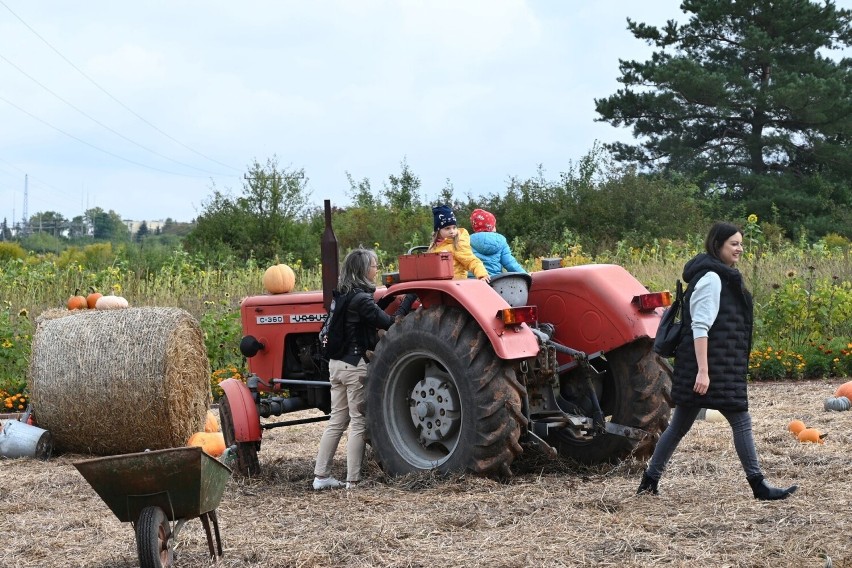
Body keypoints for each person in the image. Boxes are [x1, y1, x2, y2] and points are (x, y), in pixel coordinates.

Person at [637, 222, 799, 501]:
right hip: (710, 367)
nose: (740, 248)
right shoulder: (711, 278)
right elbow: (700, 328)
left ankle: (649, 481)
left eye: (741, 243)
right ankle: (758, 485)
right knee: (740, 420)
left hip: (718, 365)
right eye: (734, 244)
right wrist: (703, 372)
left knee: (678, 426)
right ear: (718, 245)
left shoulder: (722, 276)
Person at [313, 248, 394, 490]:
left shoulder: (342, 296)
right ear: (363, 270)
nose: (376, 269)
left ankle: (321, 476)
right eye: (374, 265)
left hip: (335, 365)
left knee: (336, 420)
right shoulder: (362, 299)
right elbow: (387, 323)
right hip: (354, 364)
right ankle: (353, 480)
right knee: (358, 422)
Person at [430, 204, 490, 282]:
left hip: (456, 285)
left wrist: (482, 275)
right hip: (440, 284)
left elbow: (471, 261)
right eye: (447, 228)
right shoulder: (434, 246)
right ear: (438, 231)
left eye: (454, 227)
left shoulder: (457, 244)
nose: (452, 231)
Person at [468, 208, 526, 276]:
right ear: (491, 227)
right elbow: (510, 264)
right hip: (495, 282)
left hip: (473, 283)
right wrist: (526, 275)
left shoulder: (467, 241)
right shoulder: (501, 241)